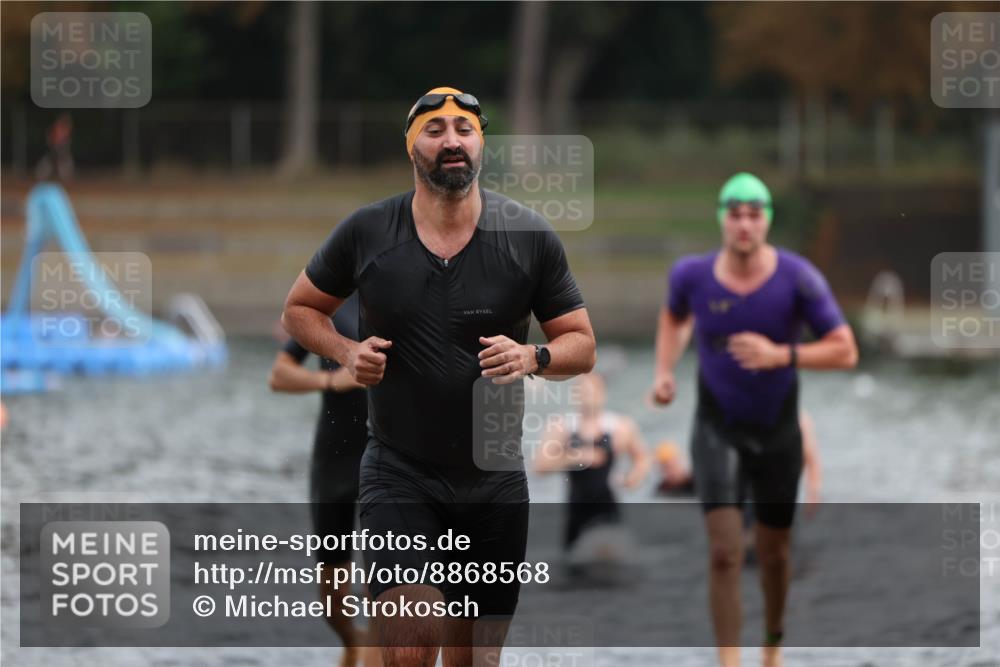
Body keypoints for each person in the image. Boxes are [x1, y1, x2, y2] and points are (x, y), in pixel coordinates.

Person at [281, 87, 596, 667]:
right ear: (412, 148)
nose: (451, 139)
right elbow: (300, 310)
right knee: (411, 644)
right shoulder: (368, 232)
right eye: (434, 129)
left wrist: (535, 359)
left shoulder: (527, 236)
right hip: (401, 473)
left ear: (481, 144)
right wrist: (347, 352)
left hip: (495, 483)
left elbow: (581, 343)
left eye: (464, 129)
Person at [650, 172, 858, 667]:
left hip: (778, 432)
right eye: (735, 213)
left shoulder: (798, 277)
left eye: (754, 213)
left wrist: (780, 355)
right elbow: (673, 318)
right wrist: (663, 370)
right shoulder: (691, 276)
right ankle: (730, 662)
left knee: (774, 553)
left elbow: (846, 351)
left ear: (767, 220)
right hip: (716, 427)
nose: (744, 223)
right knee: (724, 551)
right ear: (722, 219)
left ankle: (772, 644)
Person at [268, 293, 378, 667]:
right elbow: (279, 375)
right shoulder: (327, 310)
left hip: (390, 456)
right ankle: (351, 641)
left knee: (386, 579)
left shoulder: (406, 297)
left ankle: (378, 650)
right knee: (332, 591)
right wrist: (333, 381)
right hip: (335, 458)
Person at [534, 372, 650, 551]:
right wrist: (576, 457)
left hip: (608, 510)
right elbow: (539, 467)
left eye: (591, 391)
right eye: (581, 391)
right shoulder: (562, 426)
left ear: (602, 393)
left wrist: (633, 478)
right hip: (575, 513)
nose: (586, 396)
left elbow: (642, 458)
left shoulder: (620, 426)